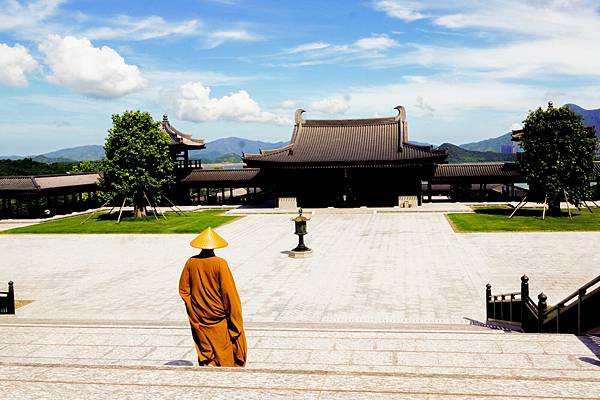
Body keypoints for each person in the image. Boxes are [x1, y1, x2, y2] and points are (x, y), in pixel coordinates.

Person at [179, 227, 247, 367]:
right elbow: (229, 294)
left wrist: (193, 309)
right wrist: (235, 321)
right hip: (219, 321)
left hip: (199, 318)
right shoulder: (220, 264)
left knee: (206, 352)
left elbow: (183, 290)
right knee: (224, 357)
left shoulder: (191, 262)